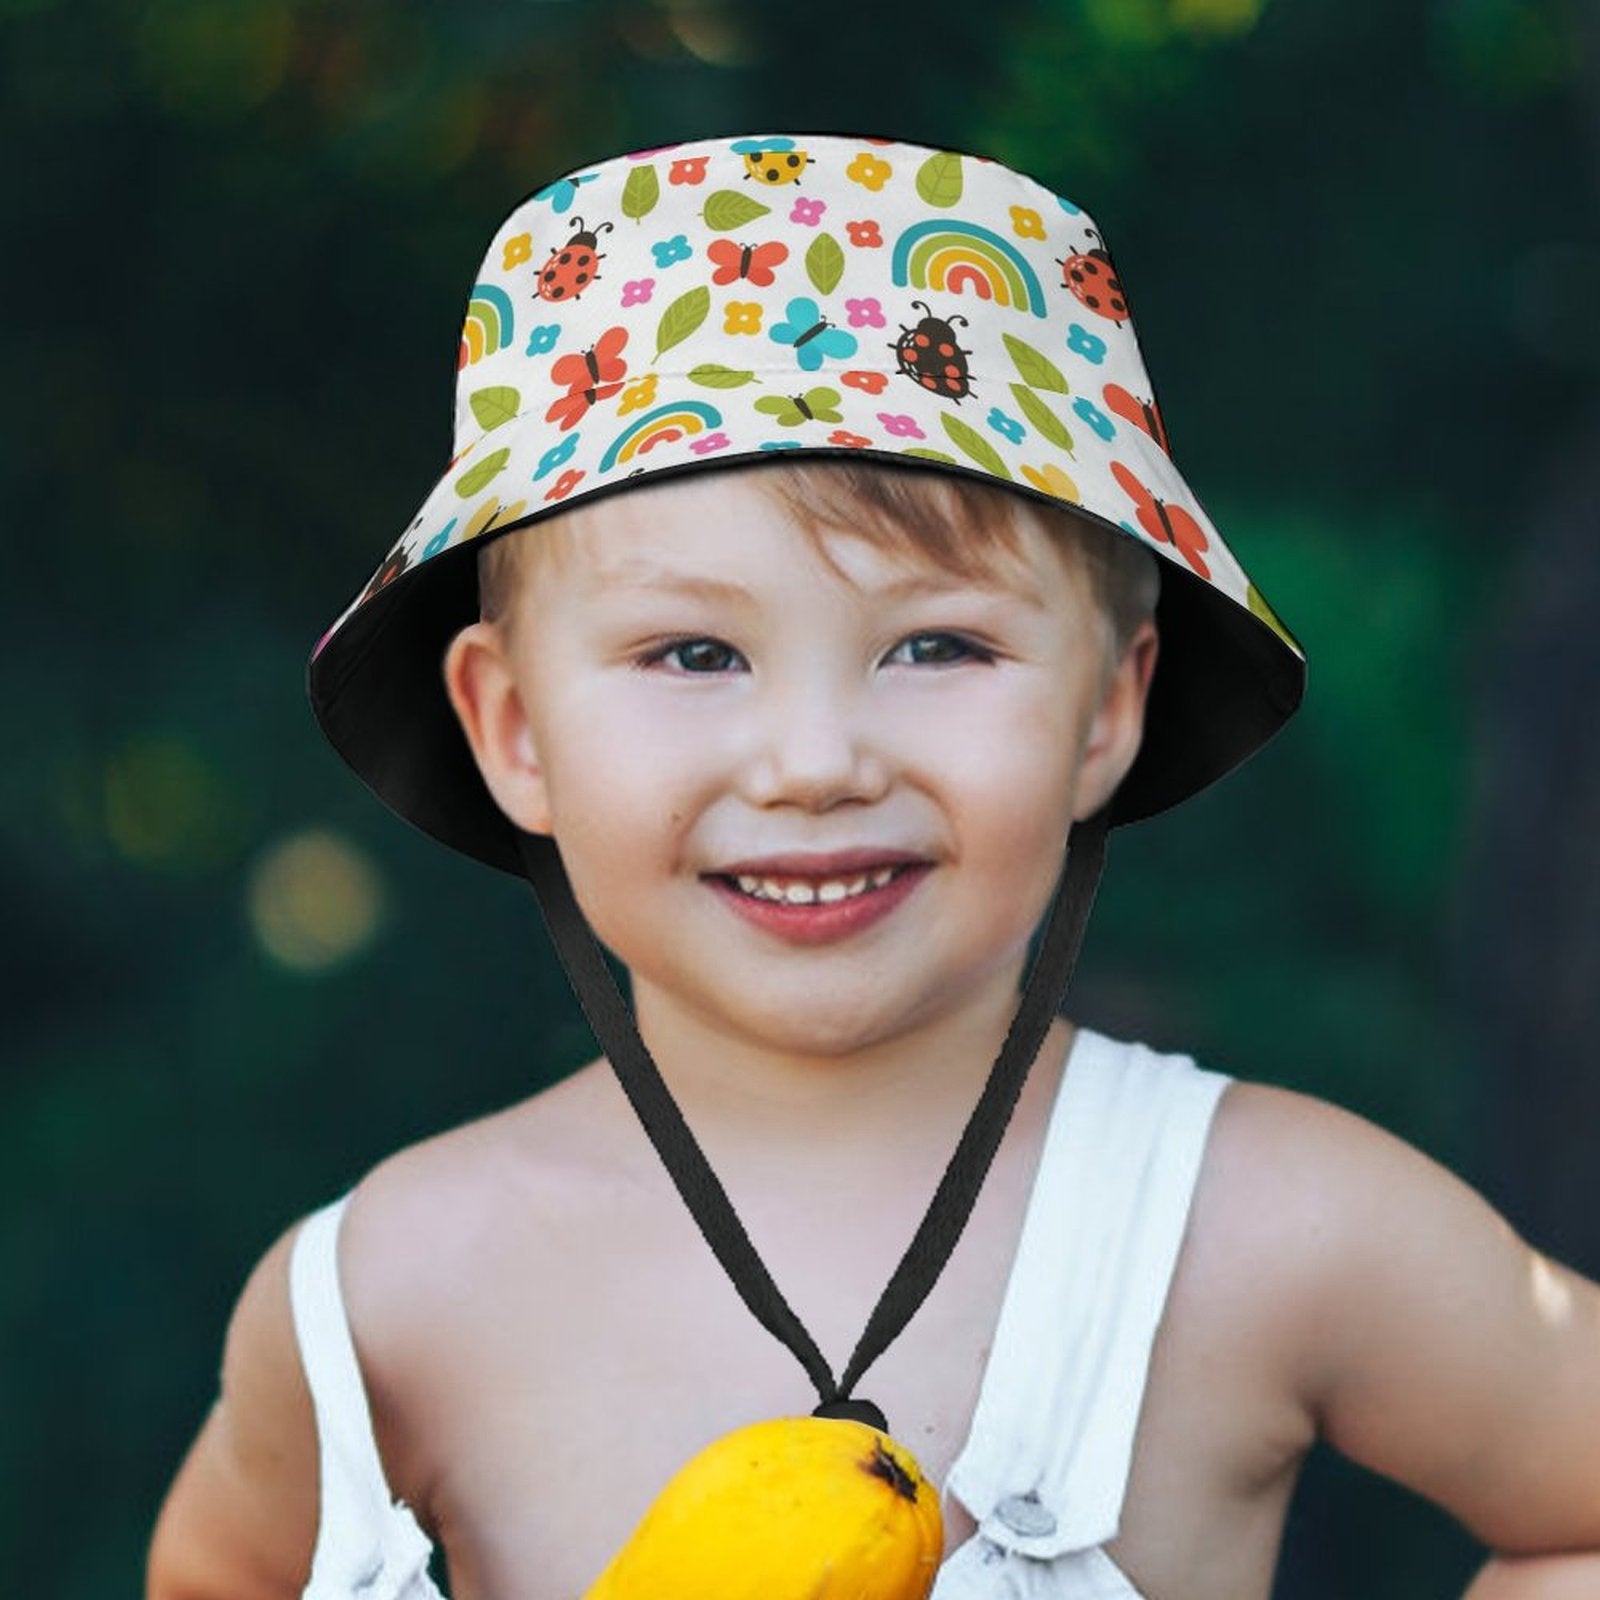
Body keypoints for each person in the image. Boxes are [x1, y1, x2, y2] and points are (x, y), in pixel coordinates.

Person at [146, 132, 1600, 1600]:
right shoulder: (389, 1296)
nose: (815, 760)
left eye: (938, 646)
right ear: (514, 728)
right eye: (695, 652)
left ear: (1107, 709)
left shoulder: (1268, 1226)